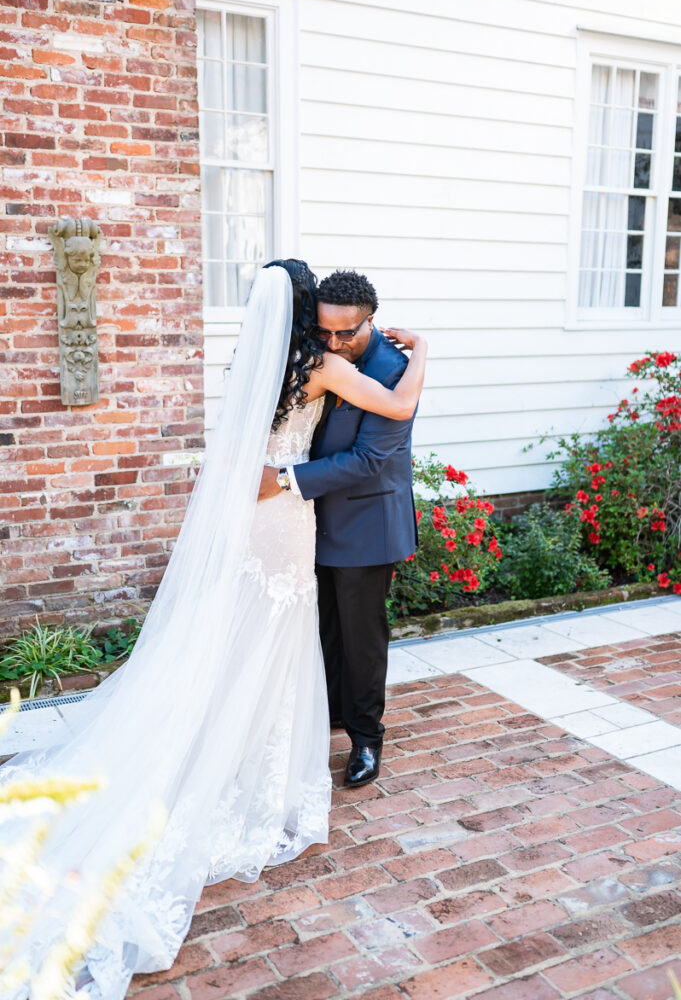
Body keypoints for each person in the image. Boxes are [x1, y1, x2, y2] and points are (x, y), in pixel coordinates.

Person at [0, 260, 426, 1000]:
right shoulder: (320, 365)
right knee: (275, 637)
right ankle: (254, 757)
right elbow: (396, 407)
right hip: (283, 519)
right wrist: (428, 353)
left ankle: (249, 741)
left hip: (254, 511)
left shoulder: (256, 364)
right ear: (307, 312)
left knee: (248, 636)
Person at [258, 269, 419, 787]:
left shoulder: (393, 369)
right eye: (324, 332)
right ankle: (323, 718)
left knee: (361, 638)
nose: (333, 343)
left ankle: (367, 740)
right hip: (307, 518)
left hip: (365, 522)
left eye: (345, 334)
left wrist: (282, 480)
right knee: (319, 629)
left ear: (370, 321)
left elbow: (368, 458)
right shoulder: (316, 356)